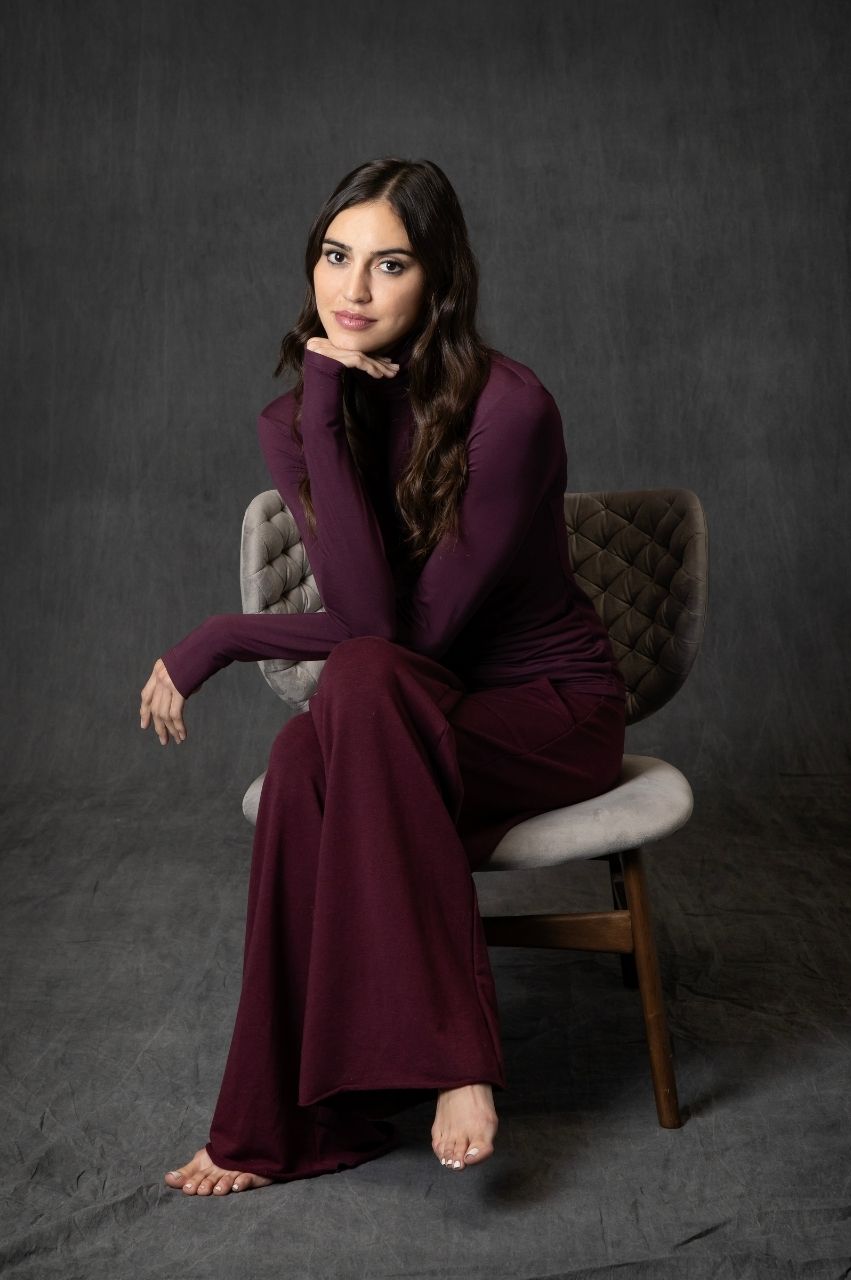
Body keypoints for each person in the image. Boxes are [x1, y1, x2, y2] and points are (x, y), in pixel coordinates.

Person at [139, 157, 627, 1196]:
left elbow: (409, 635)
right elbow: (372, 633)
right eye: (335, 255)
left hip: (546, 712)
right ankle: (302, 1122)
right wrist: (321, 407)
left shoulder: (510, 407)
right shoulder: (298, 417)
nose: (352, 289)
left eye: (389, 263)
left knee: (355, 693)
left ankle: (439, 1063)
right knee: (314, 734)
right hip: (403, 707)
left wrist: (224, 635)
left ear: (436, 281)